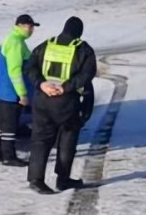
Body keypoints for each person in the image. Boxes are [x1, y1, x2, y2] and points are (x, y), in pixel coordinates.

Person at [24, 16, 97, 194]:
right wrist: (65, 87)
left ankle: (36, 180)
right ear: (79, 32)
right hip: (66, 101)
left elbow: (29, 67)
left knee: (40, 140)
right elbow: (87, 75)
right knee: (67, 140)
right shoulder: (83, 49)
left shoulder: (46, 45)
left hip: (42, 99)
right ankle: (62, 180)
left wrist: (41, 83)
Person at [0, 14, 38, 166]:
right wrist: (22, 94)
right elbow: (15, 71)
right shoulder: (16, 43)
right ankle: (8, 156)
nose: (31, 30)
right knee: (10, 125)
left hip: (3, 89)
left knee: (0, 122)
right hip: (11, 91)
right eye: (29, 27)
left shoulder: (13, 38)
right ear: (20, 25)